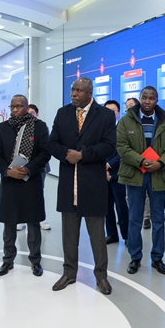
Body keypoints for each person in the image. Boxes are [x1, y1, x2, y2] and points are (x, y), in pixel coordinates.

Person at [48, 77, 116, 295]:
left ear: (89, 93)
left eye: (78, 91)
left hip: (93, 184)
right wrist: (67, 154)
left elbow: (109, 146)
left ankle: (101, 275)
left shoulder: (105, 115)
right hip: (68, 184)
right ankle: (69, 273)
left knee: (97, 235)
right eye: (72, 90)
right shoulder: (63, 113)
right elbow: (52, 143)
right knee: (69, 233)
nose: (74, 94)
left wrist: (83, 155)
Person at [117, 86, 165, 275]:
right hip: (134, 174)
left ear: (156, 101)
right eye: (144, 97)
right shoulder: (126, 120)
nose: (147, 101)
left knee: (158, 219)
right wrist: (141, 161)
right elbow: (121, 146)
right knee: (135, 218)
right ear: (139, 99)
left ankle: (157, 258)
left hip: (158, 175)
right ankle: (135, 257)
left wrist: (160, 163)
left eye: (151, 98)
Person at [0, 95, 51, 277]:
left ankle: (35, 262)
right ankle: (8, 260)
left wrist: (28, 169)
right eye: (13, 107)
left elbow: (45, 153)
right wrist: (7, 171)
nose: (16, 110)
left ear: (27, 106)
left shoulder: (39, 126)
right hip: (9, 181)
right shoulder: (3, 127)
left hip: (31, 181)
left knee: (33, 223)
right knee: (9, 224)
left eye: (19, 106)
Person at [16, 103, 51, 231]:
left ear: (37, 114)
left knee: (38, 192)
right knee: (22, 192)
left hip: (39, 167)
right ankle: (22, 219)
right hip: (21, 165)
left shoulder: (42, 127)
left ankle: (41, 218)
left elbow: (45, 149)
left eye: (32, 113)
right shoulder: (19, 128)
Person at [103, 100, 129, 245]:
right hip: (103, 173)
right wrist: (103, 167)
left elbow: (123, 152)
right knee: (107, 206)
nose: (109, 113)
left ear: (118, 113)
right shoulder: (101, 130)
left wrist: (108, 165)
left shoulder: (123, 128)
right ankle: (112, 234)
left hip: (119, 172)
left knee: (121, 206)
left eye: (112, 111)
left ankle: (127, 235)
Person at [125, 97, 152, 230]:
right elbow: (122, 147)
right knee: (131, 200)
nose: (128, 108)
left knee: (147, 196)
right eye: (126, 106)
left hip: (152, 165)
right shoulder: (125, 122)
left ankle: (146, 217)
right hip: (132, 167)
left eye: (131, 105)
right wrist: (138, 160)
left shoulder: (153, 120)